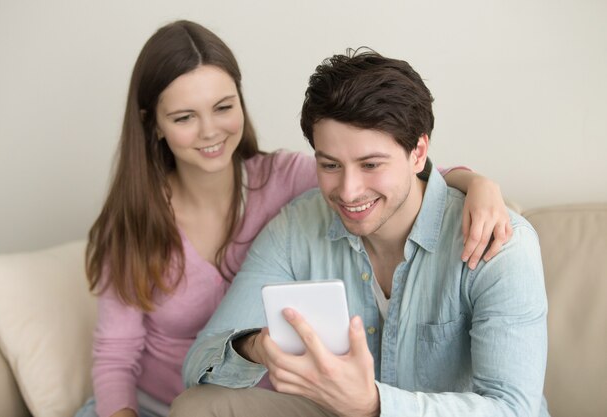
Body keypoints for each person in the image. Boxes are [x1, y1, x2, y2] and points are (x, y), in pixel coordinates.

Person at [75, 20, 513, 417]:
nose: (210, 131)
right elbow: (115, 354)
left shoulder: (284, 180)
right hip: (153, 406)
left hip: (259, 401)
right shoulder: (132, 222)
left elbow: (384, 174)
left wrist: (474, 183)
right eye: (185, 117)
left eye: (223, 107)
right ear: (154, 125)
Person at [172, 49, 549, 417]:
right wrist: (257, 347)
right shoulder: (295, 229)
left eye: (371, 164)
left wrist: (373, 406)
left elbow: (513, 408)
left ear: (418, 153)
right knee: (199, 408)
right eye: (331, 164)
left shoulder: (502, 244)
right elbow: (199, 364)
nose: (349, 191)